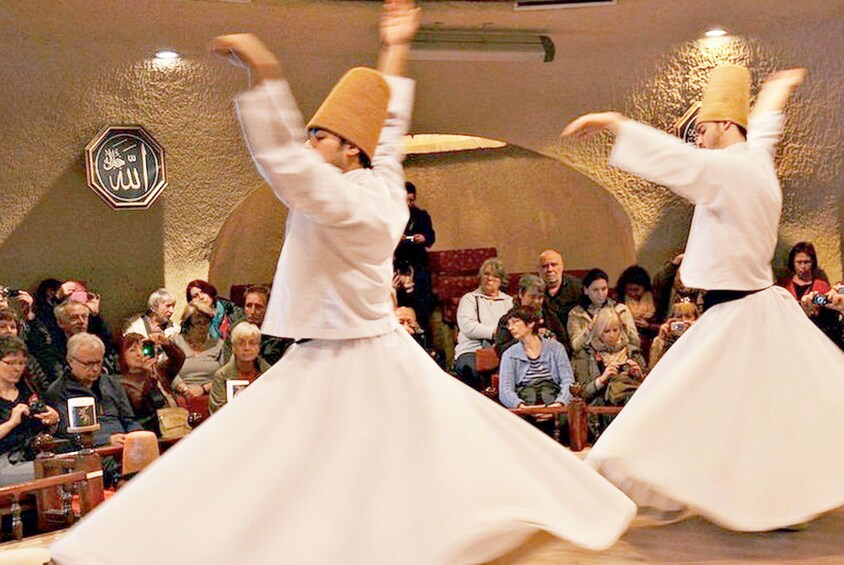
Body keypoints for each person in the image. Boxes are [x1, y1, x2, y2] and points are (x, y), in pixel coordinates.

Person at [50, 4, 634, 563]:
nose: (311, 145)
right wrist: (395, 46)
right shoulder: (378, 183)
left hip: (341, 356)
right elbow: (389, 125)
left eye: (321, 137)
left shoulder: (340, 199)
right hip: (371, 349)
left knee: (248, 456)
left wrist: (265, 72)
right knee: (370, 459)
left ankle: (144, 545)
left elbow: (283, 161)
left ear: (347, 150)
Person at [563, 65, 844, 531]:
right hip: (753, 308)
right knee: (754, 412)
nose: (696, 138)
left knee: (674, 398)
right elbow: (762, 131)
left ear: (723, 125)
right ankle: (757, 497)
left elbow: (678, 162)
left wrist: (615, 124)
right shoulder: (756, 162)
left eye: (700, 128)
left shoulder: (726, 169)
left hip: (738, 312)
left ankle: (627, 477)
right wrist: (776, 92)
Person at [46, 333, 143, 447]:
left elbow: (129, 420)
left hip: (125, 444)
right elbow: (67, 434)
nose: (95, 369)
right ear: (70, 360)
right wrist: (107, 440)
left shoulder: (111, 384)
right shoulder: (58, 391)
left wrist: (137, 435)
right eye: (88, 364)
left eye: (98, 362)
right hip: (92, 450)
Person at [577, 307, 646, 438]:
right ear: (598, 332)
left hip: (630, 403)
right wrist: (602, 380)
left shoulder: (632, 352)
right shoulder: (585, 354)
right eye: (607, 331)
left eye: (616, 330)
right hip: (601, 410)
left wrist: (639, 376)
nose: (612, 335)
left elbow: (650, 386)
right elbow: (581, 393)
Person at [0, 336, 60, 486]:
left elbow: (42, 428)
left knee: (67, 465)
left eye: (21, 363)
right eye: (10, 363)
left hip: (31, 456)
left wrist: (53, 419)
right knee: (52, 472)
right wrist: (11, 423)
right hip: (3, 461)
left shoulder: (27, 391)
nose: (17, 368)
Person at [498, 306, 574, 410]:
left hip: (553, 398)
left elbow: (568, 381)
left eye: (515, 322)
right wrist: (521, 407)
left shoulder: (556, 348)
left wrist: (559, 404)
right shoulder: (509, 354)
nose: (510, 327)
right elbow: (505, 390)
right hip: (525, 401)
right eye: (509, 324)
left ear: (530, 323)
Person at [453, 258, 513, 390]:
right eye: (486, 274)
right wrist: (496, 333)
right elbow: (468, 327)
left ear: (501, 280)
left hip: (501, 351)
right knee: (472, 371)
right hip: (471, 351)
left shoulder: (509, 302)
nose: (490, 279)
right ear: (480, 277)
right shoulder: (470, 299)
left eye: (495, 276)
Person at [117, 332, 184, 435]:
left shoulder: (159, 371)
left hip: (176, 425)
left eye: (142, 348)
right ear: (123, 356)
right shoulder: (122, 382)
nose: (140, 353)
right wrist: (146, 376)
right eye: (132, 350)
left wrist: (166, 343)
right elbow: (140, 403)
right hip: (150, 432)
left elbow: (178, 359)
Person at [393, 181, 436, 325]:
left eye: (412, 200)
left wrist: (423, 237)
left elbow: (430, 236)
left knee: (422, 300)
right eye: (406, 200)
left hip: (418, 261)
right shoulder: (390, 215)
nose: (409, 204)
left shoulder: (421, 216)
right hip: (397, 261)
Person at [494, 273, 569, 356]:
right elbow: (501, 351)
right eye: (532, 297)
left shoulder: (550, 317)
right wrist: (528, 337)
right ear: (521, 294)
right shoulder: (508, 320)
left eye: (540, 297)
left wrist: (553, 342)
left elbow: (566, 347)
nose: (536, 301)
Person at [209, 322, 271, 413]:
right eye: (241, 343)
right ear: (233, 347)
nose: (247, 348)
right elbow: (218, 413)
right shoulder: (221, 376)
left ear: (259, 348)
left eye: (252, 343)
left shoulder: (269, 373)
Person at [170, 306, 225, 398]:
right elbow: (167, 371)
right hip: (180, 394)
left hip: (211, 394)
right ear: (188, 325)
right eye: (198, 323)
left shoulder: (219, 345)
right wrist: (185, 390)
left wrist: (203, 389)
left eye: (206, 322)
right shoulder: (176, 343)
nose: (203, 327)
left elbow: (225, 375)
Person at [538, 249, 583, 328]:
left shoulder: (578, 288)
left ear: (562, 266)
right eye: (545, 266)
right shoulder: (533, 290)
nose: (550, 269)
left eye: (554, 265)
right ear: (539, 270)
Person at [648, 299, 699, 368]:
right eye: (678, 317)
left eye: (688, 317)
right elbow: (654, 364)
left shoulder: (701, 335)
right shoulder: (667, 335)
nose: (683, 320)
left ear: (696, 318)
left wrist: (698, 330)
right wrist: (661, 339)